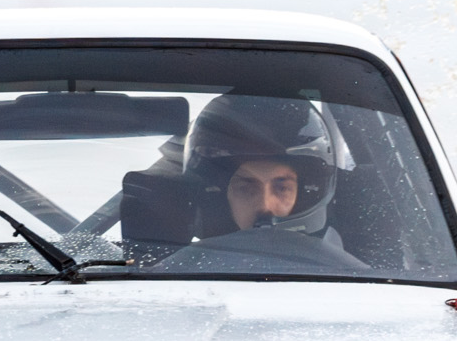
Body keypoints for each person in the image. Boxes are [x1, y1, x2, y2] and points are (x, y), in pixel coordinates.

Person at [120, 92, 363, 268]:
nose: (265, 205)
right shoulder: (168, 282)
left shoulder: (363, 288)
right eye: (247, 188)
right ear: (219, 195)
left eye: (282, 187)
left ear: (306, 192)